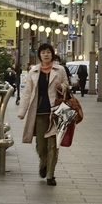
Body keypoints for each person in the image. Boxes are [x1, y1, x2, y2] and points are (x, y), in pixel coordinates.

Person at [17, 43, 68, 186]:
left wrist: (61, 86)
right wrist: (22, 111)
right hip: (39, 113)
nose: (46, 55)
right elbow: (27, 93)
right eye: (43, 52)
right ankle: (43, 163)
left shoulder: (60, 70)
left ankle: (50, 175)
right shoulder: (34, 71)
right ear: (39, 55)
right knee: (41, 145)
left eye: (48, 52)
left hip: (55, 113)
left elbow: (67, 86)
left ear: (52, 54)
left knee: (53, 145)